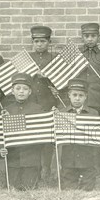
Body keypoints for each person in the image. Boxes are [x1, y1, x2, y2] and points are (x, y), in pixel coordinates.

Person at [0, 73, 44, 190]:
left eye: (25, 89)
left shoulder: (37, 109)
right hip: (13, 157)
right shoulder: (7, 110)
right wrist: (2, 148)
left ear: (30, 92)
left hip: (31, 157)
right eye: (18, 88)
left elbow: (41, 132)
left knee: (29, 186)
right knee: (13, 186)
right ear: (12, 91)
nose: (21, 91)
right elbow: (2, 134)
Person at [27, 25, 60, 180]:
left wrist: (52, 83)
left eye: (43, 41)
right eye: (36, 41)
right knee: (33, 136)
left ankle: (46, 167)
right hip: (32, 102)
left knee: (47, 137)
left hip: (49, 102)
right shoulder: (28, 59)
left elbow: (61, 81)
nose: (39, 44)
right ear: (32, 42)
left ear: (49, 42)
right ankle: (35, 167)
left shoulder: (54, 58)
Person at [59, 78, 99, 191]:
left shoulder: (93, 114)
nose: (77, 98)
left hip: (87, 159)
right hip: (69, 160)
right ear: (69, 95)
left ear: (85, 96)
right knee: (68, 189)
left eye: (81, 95)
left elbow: (97, 136)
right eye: (74, 95)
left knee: (87, 189)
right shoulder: (62, 113)